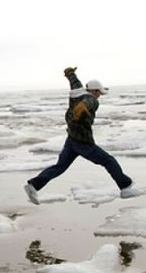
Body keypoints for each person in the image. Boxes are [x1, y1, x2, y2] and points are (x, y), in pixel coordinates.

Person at [24, 67, 136, 205]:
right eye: (99, 92)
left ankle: (33, 185)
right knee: (109, 161)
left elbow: (74, 83)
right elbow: (89, 101)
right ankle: (125, 188)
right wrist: (82, 106)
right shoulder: (92, 100)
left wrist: (70, 73)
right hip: (83, 142)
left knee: (60, 167)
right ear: (94, 91)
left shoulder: (77, 93)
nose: (99, 95)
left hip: (71, 139)